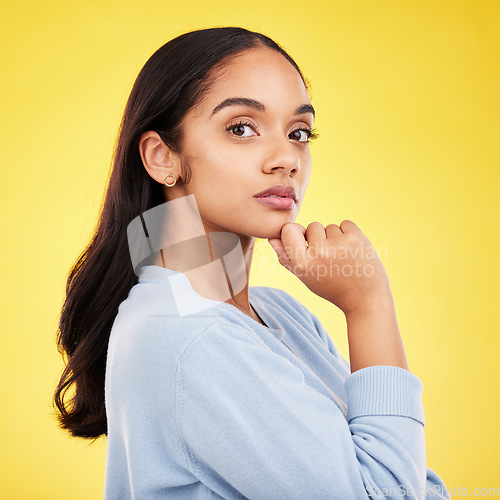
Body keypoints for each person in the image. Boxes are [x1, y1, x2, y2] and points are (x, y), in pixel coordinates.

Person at [54, 27, 451, 499]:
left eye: (299, 132)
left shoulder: (282, 315)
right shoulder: (187, 336)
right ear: (163, 157)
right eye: (242, 128)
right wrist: (370, 307)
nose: (286, 158)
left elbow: (407, 478)